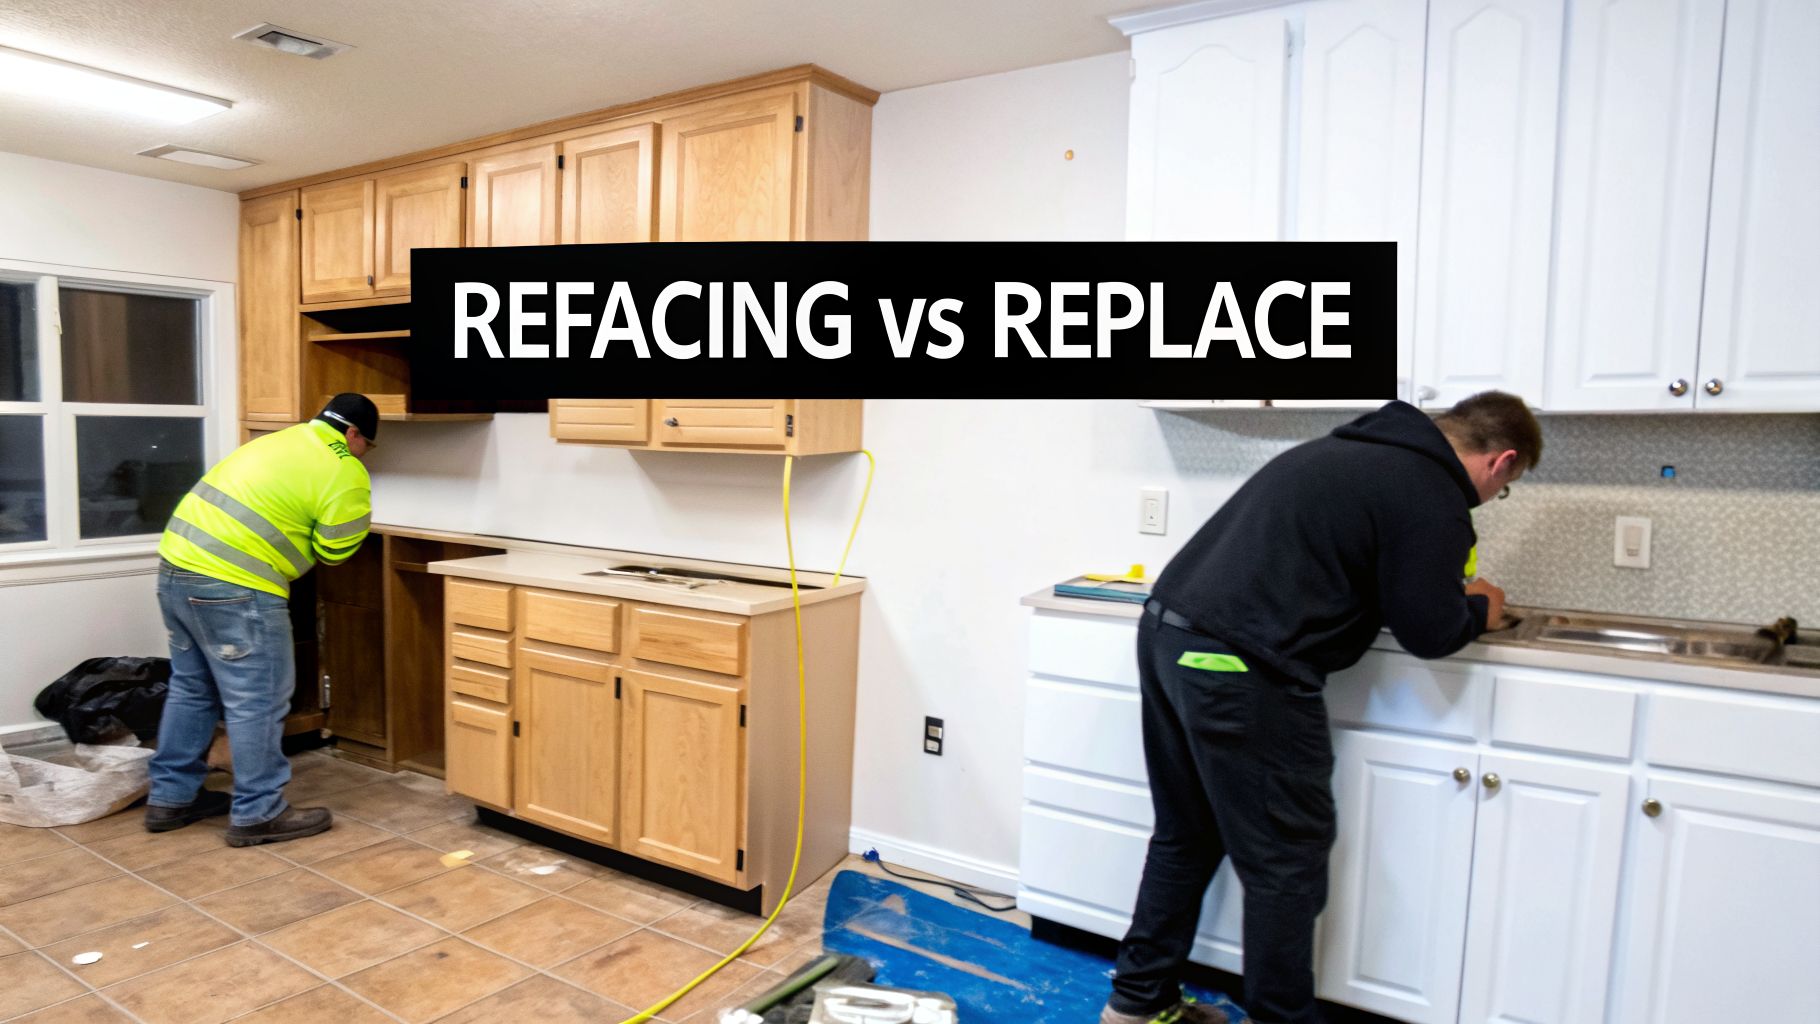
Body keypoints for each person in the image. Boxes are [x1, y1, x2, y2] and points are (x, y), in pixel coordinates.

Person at [1100, 391, 1541, 1024]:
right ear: (1501, 462)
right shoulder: (1431, 493)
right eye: (1506, 487)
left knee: (1187, 835)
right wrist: (1482, 607)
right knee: (1286, 862)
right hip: (1239, 662)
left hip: (1170, 634)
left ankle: (1136, 1006)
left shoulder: (1348, 451)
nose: (1493, 497)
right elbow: (1431, 631)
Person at [145, 394, 379, 847]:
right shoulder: (347, 471)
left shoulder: (280, 440)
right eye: (369, 444)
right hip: (234, 588)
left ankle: (170, 799)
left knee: (192, 688)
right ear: (353, 434)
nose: (366, 453)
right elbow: (336, 551)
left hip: (175, 571)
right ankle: (258, 812)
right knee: (259, 700)